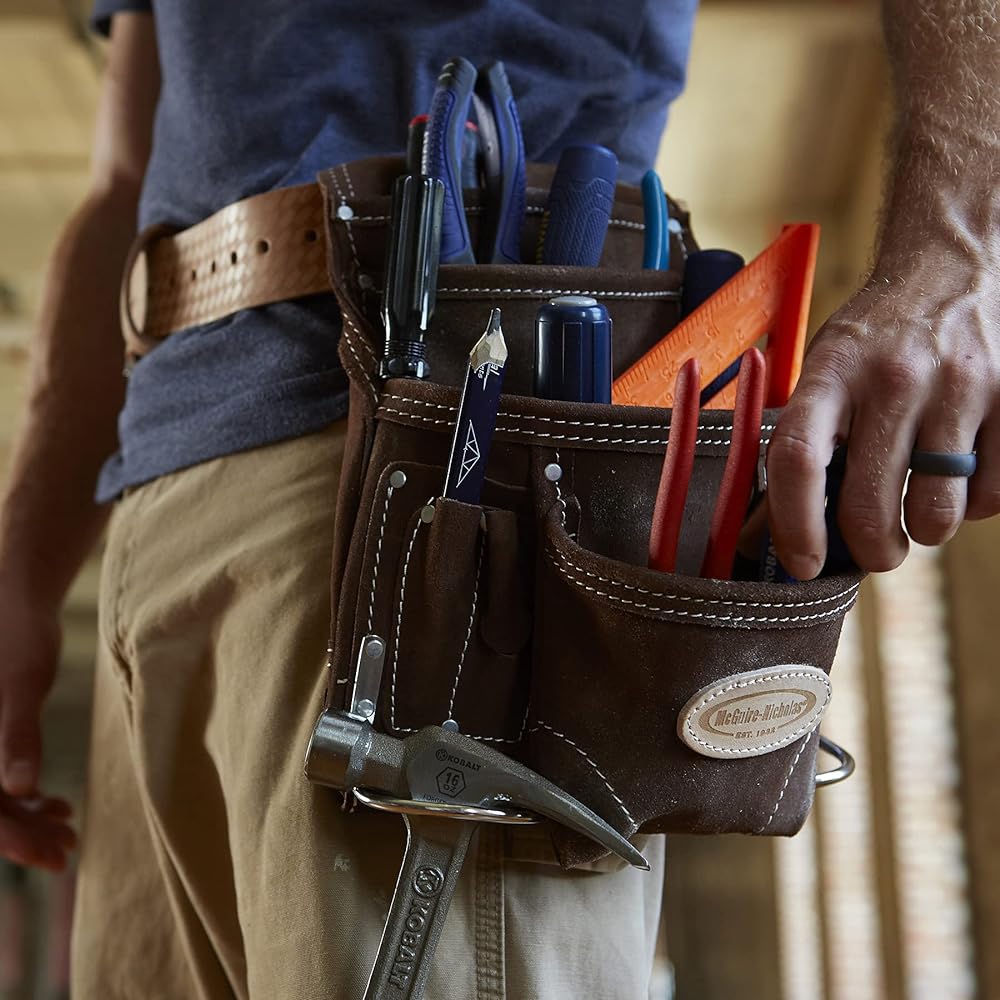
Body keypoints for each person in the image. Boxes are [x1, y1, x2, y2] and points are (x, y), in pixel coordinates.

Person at [0, 1, 996, 996]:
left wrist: (955, 247)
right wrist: (24, 574)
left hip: (438, 494)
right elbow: (124, 187)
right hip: (162, 499)